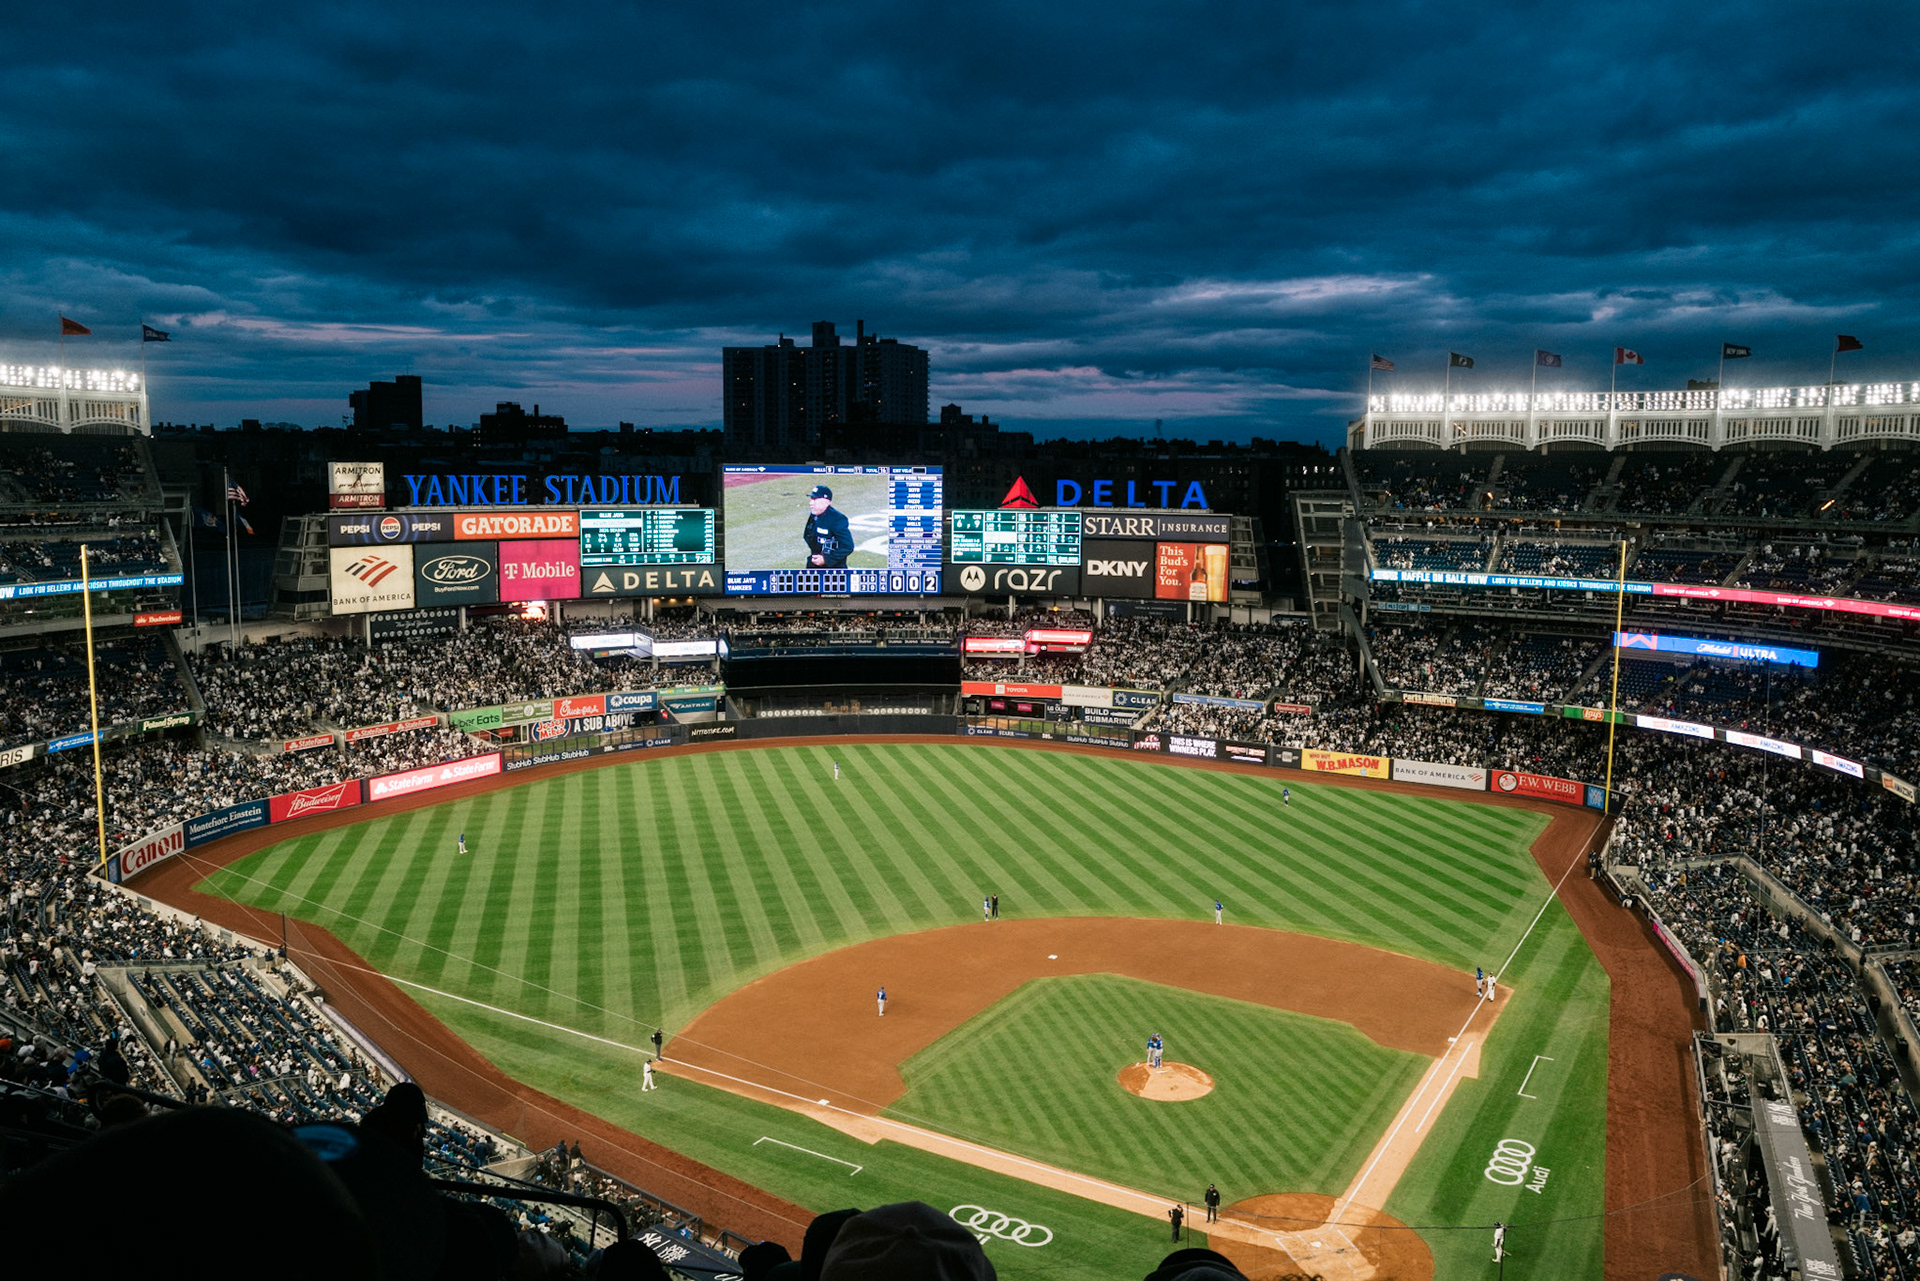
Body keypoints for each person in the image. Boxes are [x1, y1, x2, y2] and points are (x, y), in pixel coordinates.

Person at [803, 484, 853, 569]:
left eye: (815, 499)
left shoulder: (837, 519)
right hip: (814, 565)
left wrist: (826, 559)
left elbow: (847, 546)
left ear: (826, 502)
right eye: (811, 499)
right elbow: (807, 535)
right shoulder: (814, 515)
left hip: (834, 570)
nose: (811, 503)